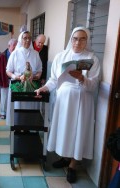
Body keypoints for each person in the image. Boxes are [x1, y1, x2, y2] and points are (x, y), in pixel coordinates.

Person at [35, 27, 101, 183]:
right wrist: (44, 88)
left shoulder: (92, 59)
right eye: (75, 38)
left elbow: (94, 85)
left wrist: (81, 78)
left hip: (82, 101)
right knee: (64, 129)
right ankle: (65, 157)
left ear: (87, 40)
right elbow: (53, 79)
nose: (78, 42)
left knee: (77, 131)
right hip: (64, 101)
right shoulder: (61, 56)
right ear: (71, 39)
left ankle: (73, 165)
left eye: (82, 38)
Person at [6, 31, 42, 126]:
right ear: (20, 40)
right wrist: (16, 77)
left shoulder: (36, 54)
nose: (27, 40)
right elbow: (8, 71)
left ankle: (29, 126)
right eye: (25, 38)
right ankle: (17, 126)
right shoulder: (15, 53)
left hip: (31, 85)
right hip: (18, 84)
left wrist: (34, 76)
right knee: (18, 107)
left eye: (29, 38)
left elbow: (39, 71)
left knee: (30, 109)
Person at [0, 38, 17, 119]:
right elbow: (0, 69)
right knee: (4, 97)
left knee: (13, 96)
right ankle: (2, 112)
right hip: (5, 79)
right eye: (13, 45)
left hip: (14, 79)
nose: (15, 47)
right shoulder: (3, 55)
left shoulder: (16, 54)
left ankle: (11, 111)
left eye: (16, 45)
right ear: (9, 46)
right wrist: (0, 80)